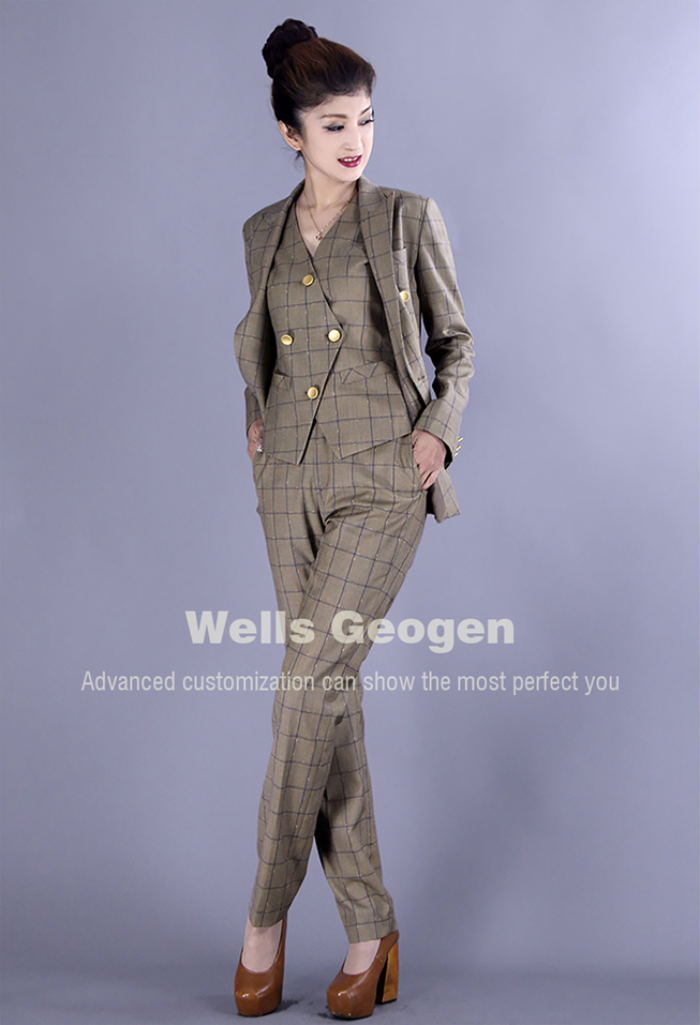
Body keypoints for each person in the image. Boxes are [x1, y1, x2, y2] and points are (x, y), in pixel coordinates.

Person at [232, 17, 475, 1019]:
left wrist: (438, 434)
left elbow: (457, 344)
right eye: (333, 124)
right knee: (327, 697)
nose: (355, 140)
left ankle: (261, 917)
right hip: (288, 482)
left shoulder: (405, 217)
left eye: (366, 119)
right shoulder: (260, 232)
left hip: (382, 478)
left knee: (308, 682)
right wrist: (256, 421)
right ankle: (371, 930)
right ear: (290, 132)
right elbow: (262, 350)